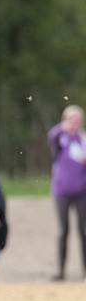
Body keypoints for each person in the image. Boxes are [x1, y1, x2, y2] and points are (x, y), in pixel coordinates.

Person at [47, 105, 86, 280]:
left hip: (82, 192)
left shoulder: (83, 141)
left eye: (77, 121)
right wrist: (62, 128)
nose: (74, 124)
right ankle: (61, 270)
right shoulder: (60, 139)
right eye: (71, 120)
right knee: (64, 231)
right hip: (61, 191)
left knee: (83, 230)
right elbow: (52, 136)